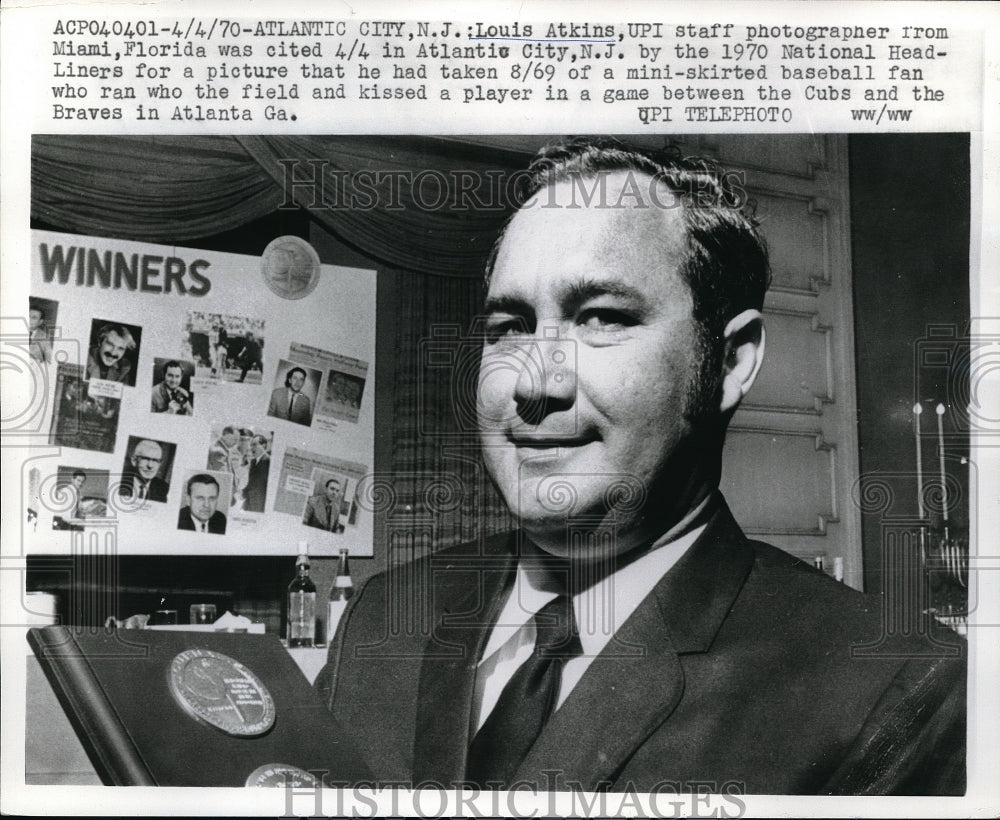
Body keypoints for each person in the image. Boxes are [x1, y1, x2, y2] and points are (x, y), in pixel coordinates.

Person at [316, 139, 966, 795]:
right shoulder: (383, 615)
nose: (533, 383)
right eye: (509, 327)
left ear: (731, 360)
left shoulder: (894, 687)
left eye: (601, 317)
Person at [120, 439, 169, 503]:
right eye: (146, 459)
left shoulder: (164, 488)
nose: (150, 465)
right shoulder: (119, 480)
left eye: (155, 460)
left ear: (160, 464)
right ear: (134, 461)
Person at [241, 434, 270, 513]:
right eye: (251, 445)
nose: (251, 448)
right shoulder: (253, 462)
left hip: (259, 505)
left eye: (254, 445)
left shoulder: (268, 461)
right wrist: (242, 492)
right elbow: (251, 483)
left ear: (263, 446)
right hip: (248, 503)